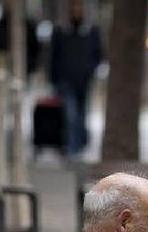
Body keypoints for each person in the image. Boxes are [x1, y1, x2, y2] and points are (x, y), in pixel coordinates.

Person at [49, 0, 103, 158]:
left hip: (84, 81)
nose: (77, 11)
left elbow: (98, 55)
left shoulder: (92, 31)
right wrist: (54, 80)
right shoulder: (60, 31)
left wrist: (90, 70)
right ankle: (73, 149)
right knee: (71, 116)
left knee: (82, 115)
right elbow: (54, 57)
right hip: (65, 82)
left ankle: (80, 145)